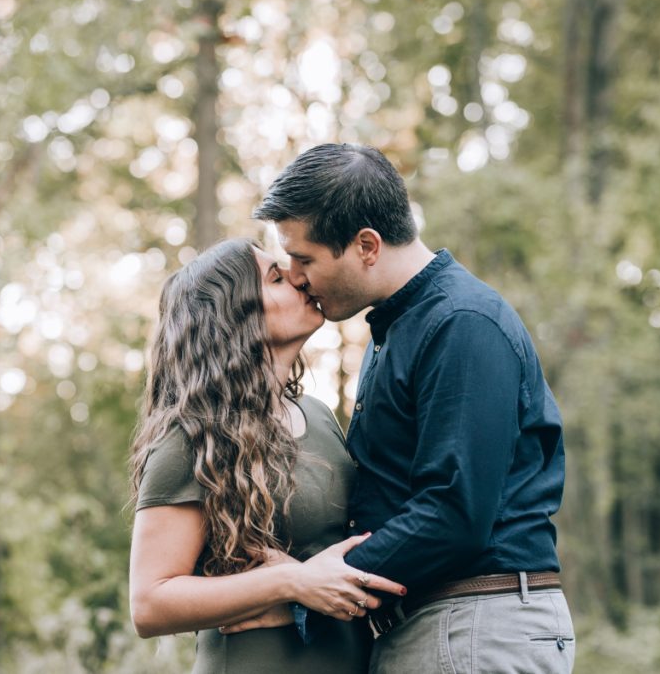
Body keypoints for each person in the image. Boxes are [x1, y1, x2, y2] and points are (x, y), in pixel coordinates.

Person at [243, 143, 576, 673]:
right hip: (438, 626)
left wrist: (306, 589)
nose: (299, 277)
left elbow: (454, 511)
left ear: (367, 245)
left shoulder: (462, 322)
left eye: (304, 259)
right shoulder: (399, 328)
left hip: (474, 626)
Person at [128, 238, 407, 673]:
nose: (299, 279)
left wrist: (297, 591)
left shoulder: (316, 415)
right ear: (237, 317)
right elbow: (149, 602)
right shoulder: (191, 435)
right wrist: (286, 583)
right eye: (277, 278)